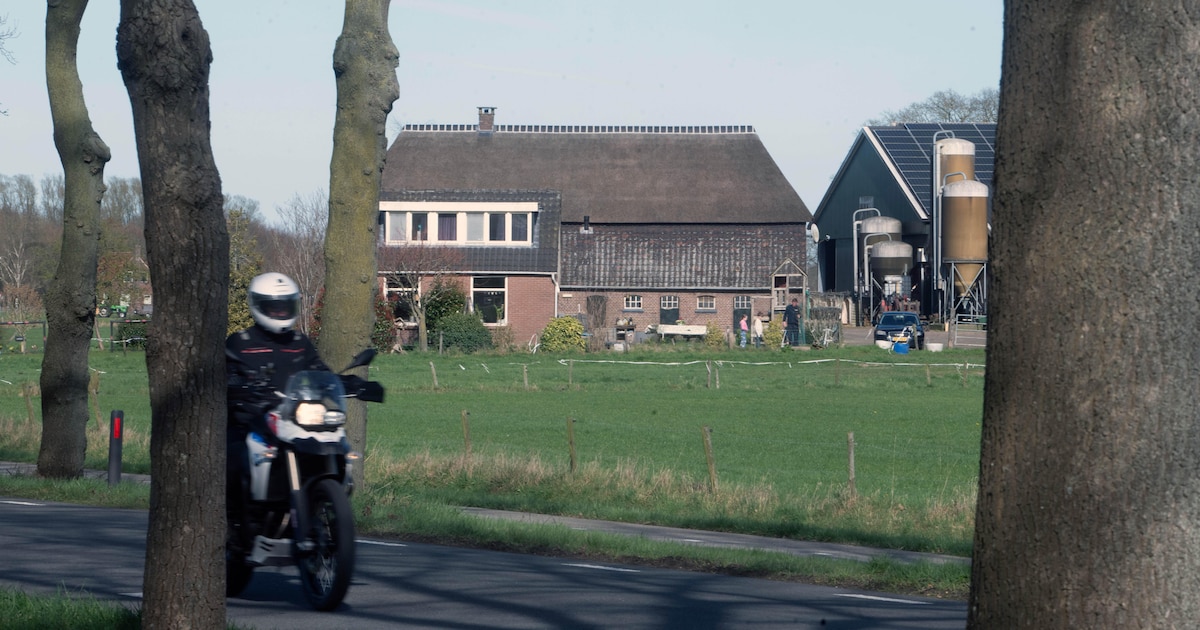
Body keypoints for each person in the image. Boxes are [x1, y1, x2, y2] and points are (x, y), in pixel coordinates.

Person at [226, 272, 330, 544]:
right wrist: (236, 385)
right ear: (259, 306)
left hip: (292, 423)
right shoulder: (240, 343)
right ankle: (235, 528)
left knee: (325, 449)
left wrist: (350, 383)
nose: (281, 310)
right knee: (233, 461)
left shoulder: (299, 344)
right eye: (274, 306)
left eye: (285, 305)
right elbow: (223, 374)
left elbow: (320, 372)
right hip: (249, 423)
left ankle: (319, 507)